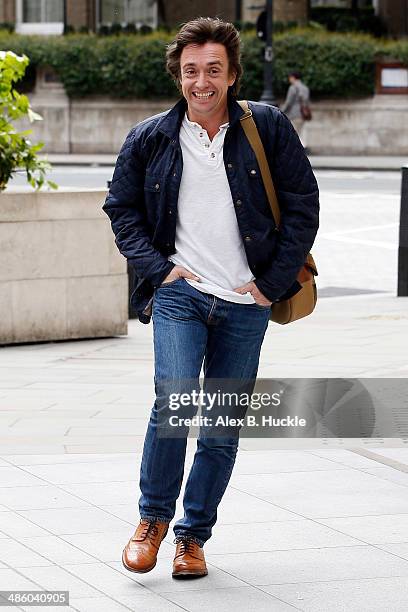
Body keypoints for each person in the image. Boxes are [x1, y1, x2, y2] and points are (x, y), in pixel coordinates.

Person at [103, 17, 319, 580]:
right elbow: (120, 208)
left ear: (231, 74)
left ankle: (192, 538)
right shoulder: (151, 136)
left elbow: (303, 202)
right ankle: (151, 521)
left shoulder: (265, 127)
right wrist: (158, 269)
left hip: (247, 303)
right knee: (173, 405)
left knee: (221, 424)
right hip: (181, 294)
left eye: (213, 71)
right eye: (191, 70)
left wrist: (269, 284)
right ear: (178, 73)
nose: (202, 82)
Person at [281, 70, 310, 149]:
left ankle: (301, 148)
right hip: (303, 114)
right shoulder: (305, 88)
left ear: (293, 78)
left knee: (293, 134)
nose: (289, 79)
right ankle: (303, 146)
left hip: (294, 114)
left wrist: (281, 111)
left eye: (290, 77)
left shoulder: (292, 88)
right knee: (300, 132)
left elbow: (288, 102)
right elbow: (306, 102)